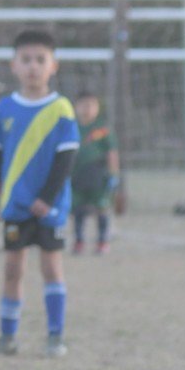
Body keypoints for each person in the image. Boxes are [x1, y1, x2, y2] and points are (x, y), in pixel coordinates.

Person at [0, 28, 79, 358]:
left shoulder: (62, 109)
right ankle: (7, 338)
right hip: (15, 207)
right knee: (12, 269)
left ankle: (56, 336)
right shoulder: (5, 108)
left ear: (54, 65)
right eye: (26, 60)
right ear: (14, 65)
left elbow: (66, 158)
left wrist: (47, 198)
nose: (33, 66)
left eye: (41, 60)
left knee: (51, 267)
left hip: (49, 209)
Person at [68, 90, 121, 255]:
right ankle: (79, 241)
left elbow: (112, 153)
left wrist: (114, 175)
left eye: (91, 105)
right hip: (76, 175)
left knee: (102, 208)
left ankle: (102, 241)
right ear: (76, 107)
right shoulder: (71, 127)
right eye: (84, 105)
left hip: (98, 175)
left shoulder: (102, 129)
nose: (87, 109)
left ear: (97, 108)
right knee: (78, 209)